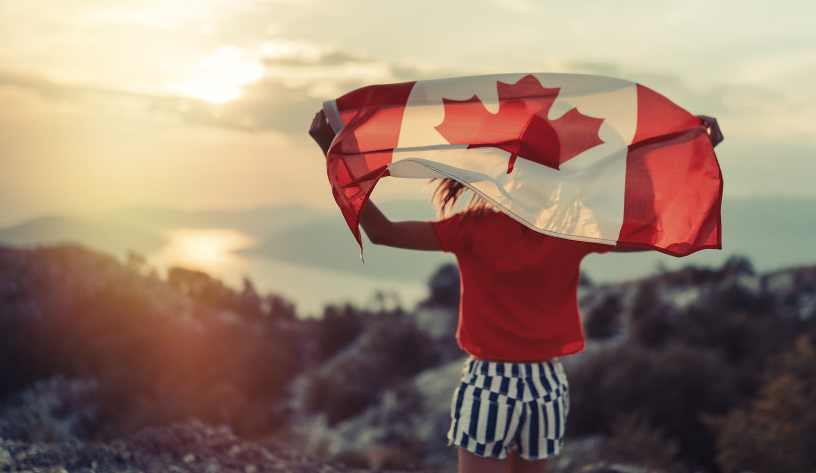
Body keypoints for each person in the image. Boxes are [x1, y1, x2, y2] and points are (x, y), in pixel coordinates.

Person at [309, 109, 723, 473]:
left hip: (490, 383)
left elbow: (381, 233)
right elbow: (649, 227)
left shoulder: (473, 228)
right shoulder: (572, 227)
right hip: (547, 386)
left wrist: (334, 154)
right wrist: (698, 151)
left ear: (507, 168)